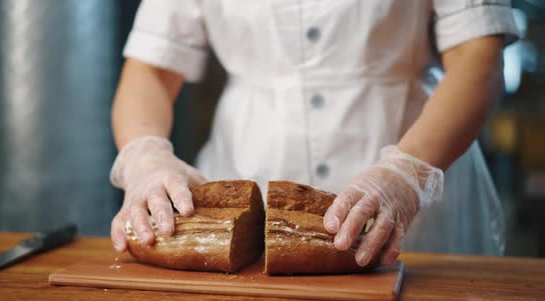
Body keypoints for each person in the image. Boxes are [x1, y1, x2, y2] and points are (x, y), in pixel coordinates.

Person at [109, 1, 519, 266]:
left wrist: (404, 176)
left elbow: (477, 57)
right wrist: (145, 156)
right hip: (247, 181)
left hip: (421, 187)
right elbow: (152, 69)